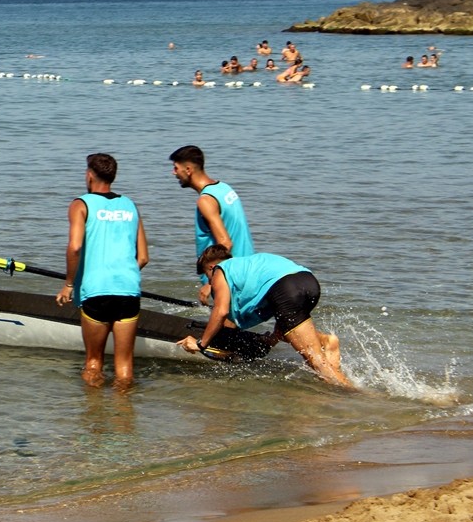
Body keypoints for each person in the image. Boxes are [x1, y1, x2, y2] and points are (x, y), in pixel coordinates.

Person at [178, 245, 351, 388]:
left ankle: (357, 396)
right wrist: (270, 340)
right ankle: (324, 341)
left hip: (286, 289)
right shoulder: (247, 266)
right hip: (308, 281)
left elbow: (221, 311)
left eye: (206, 276)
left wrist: (201, 344)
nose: (208, 281)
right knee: (290, 333)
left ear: (210, 267)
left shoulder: (219, 271)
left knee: (316, 362)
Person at [56, 153, 149, 389]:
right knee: (125, 366)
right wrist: (122, 272)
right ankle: (124, 418)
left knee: (94, 363)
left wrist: (68, 284)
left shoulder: (81, 204)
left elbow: (75, 247)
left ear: (89, 175)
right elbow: (144, 257)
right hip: (128, 288)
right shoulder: (130, 205)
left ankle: (94, 420)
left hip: (97, 290)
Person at [169, 145, 254, 295]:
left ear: (188, 170)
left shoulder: (206, 200)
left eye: (176, 168)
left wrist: (211, 282)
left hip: (229, 277)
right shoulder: (224, 188)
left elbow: (225, 242)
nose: (173, 173)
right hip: (245, 270)